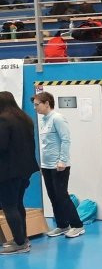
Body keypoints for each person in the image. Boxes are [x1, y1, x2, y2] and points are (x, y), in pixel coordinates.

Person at [31, 92, 85, 239]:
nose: (35, 108)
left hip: (59, 166)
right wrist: (42, 164)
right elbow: (46, 144)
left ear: (47, 103)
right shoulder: (43, 120)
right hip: (46, 166)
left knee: (62, 196)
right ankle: (62, 225)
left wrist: (62, 160)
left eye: (37, 104)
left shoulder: (58, 118)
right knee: (53, 196)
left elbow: (66, 140)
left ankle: (77, 225)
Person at [0, 92, 39, 255]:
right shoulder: (25, 119)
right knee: (18, 203)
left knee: (9, 206)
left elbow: (2, 146)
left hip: (9, 171)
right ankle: (22, 238)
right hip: (25, 169)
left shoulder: (4, 120)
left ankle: (20, 243)